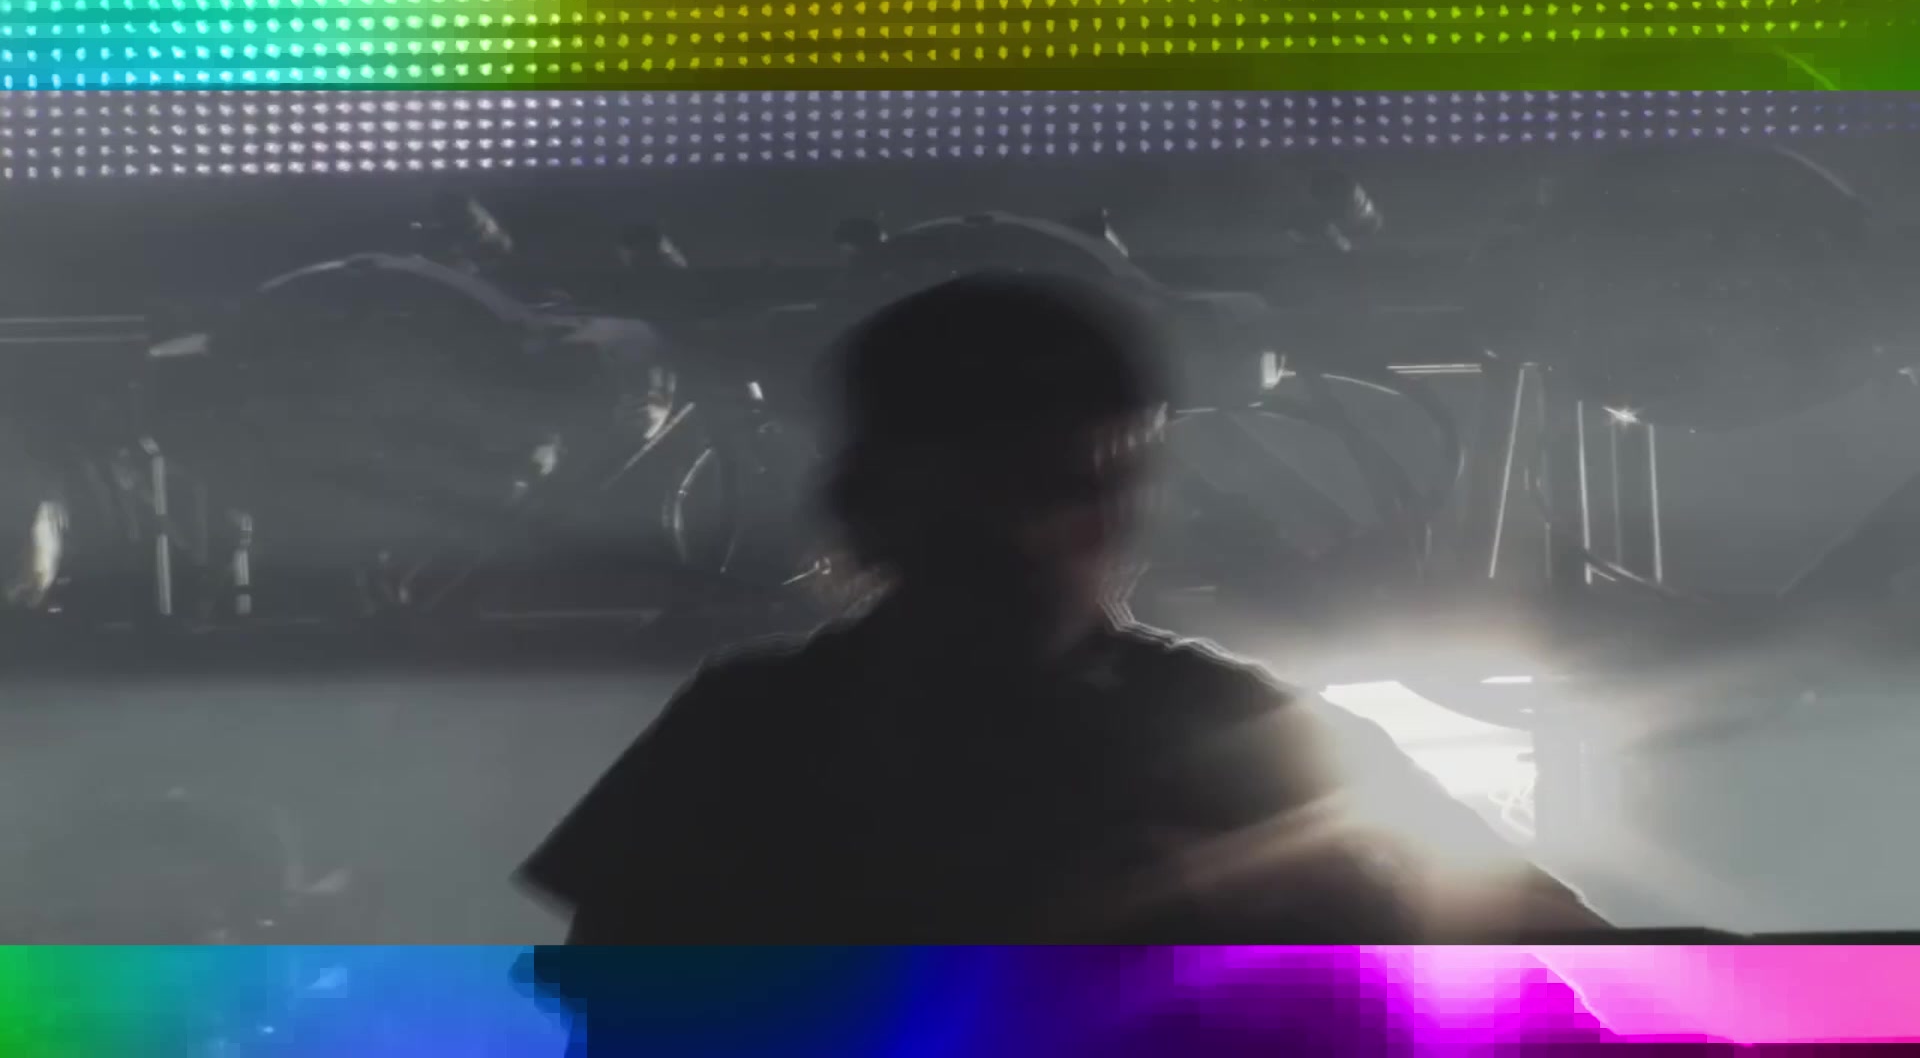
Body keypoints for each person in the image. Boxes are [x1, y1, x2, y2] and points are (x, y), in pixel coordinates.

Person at [516, 271, 1608, 945]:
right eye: (1001, 487)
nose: (1038, 533)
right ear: (882, 498)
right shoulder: (741, 732)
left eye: (1081, 487)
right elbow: (625, 1018)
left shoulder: (1237, 725)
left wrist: (1321, 900)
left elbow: (1581, 966)